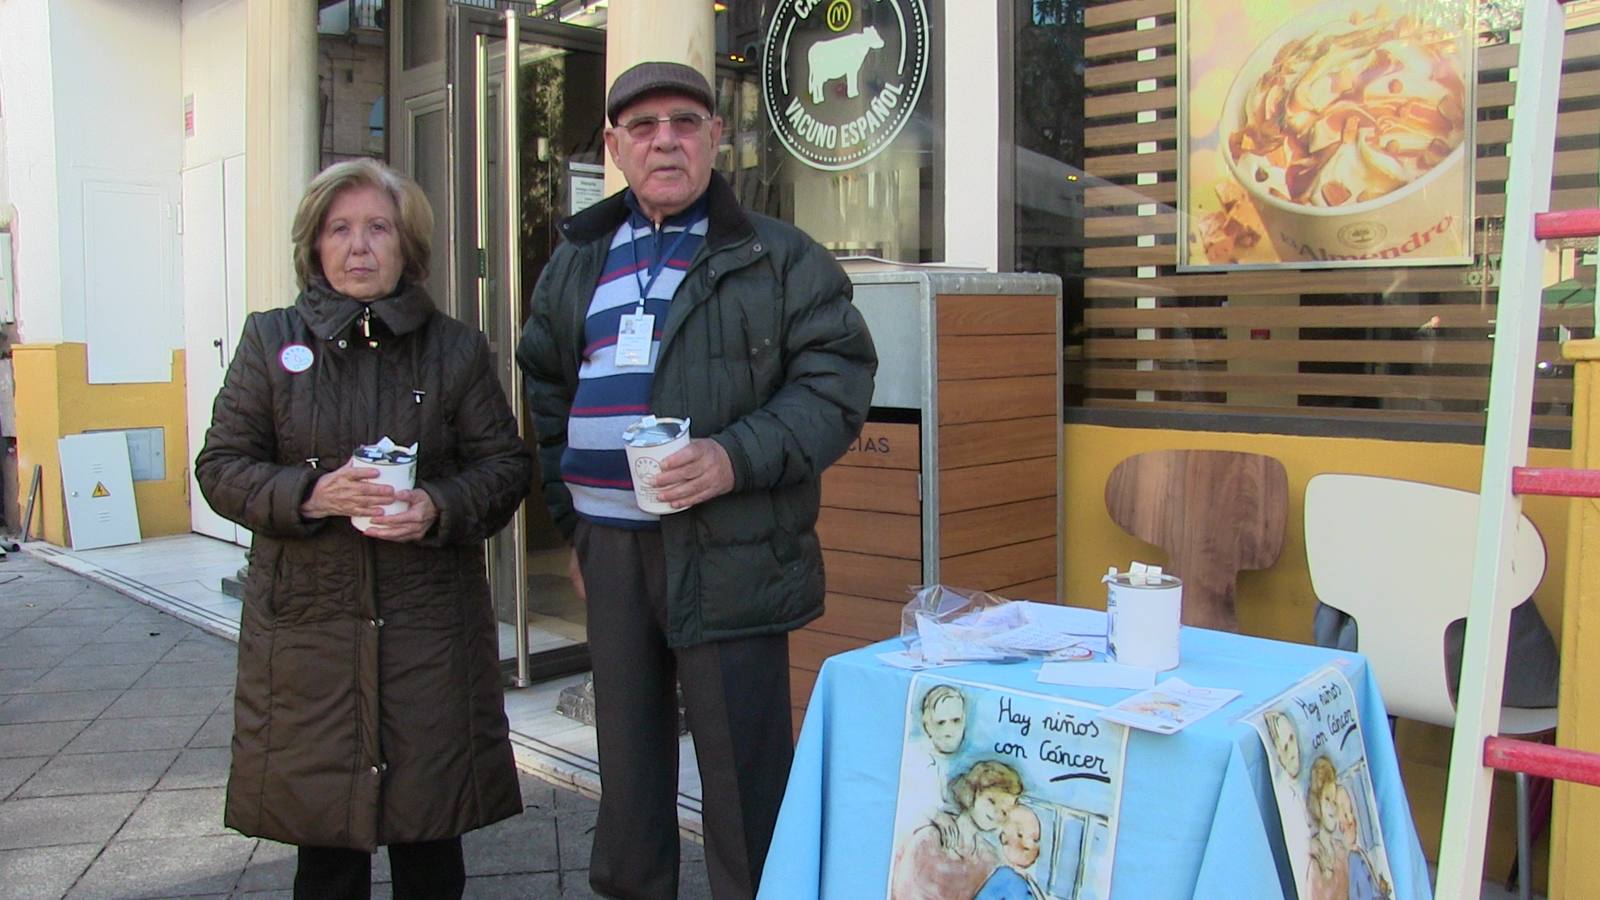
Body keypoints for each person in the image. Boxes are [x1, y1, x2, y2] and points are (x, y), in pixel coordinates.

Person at [515, 61, 876, 899]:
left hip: (731, 547)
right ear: (614, 146)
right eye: (642, 128)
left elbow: (836, 386)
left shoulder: (780, 257)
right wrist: (575, 522)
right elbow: (545, 391)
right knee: (628, 764)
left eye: (685, 122)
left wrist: (732, 456)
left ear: (716, 137)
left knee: (744, 771)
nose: (665, 139)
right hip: (611, 549)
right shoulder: (577, 259)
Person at [196, 159, 532, 899]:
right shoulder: (269, 343)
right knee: (326, 854)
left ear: (407, 246)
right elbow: (220, 466)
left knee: (430, 840)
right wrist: (310, 494)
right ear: (313, 247)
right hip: (309, 636)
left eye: (377, 228)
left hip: (428, 631)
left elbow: (505, 468)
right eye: (338, 229)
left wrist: (437, 506)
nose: (358, 246)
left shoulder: (455, 349)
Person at [890, 760, 1024, 900]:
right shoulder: (929, 839)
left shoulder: (990, 859)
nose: (996, 813)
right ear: (972, 793)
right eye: (991, 801)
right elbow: (903, 891)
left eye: (1004, 811)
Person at [974, 804, 1047, 900]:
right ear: (1004, 837)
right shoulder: (1005, 876)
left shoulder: (1029, 881)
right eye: (1020, 835)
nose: (1028, 844)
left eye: (1034, 839)